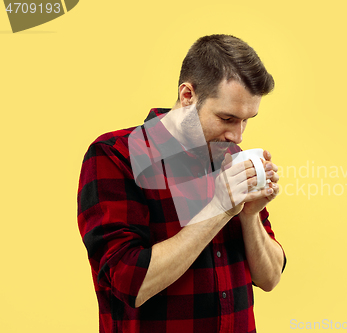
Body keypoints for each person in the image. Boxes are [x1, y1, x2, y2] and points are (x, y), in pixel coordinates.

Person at [77, 34, 286, 333]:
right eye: (227, 118)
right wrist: (219, 207)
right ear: (188, 95)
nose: (237, 136)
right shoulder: (116, 155)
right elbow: (129, 285)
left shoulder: (231, 157)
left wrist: (249, 214)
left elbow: (270, 278)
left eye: (246, 119)